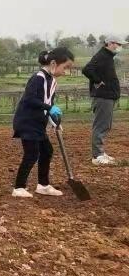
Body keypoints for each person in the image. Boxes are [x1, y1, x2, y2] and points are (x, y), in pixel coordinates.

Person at [12, 47, 75, 198]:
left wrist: (54, 121)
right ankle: (19, 188)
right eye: (65, 67)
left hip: (38, 123)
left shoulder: (52, 81)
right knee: (32, 154)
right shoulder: (38, 78)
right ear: (53, 63)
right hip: (27, 122)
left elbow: (48, 102)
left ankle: (43, 185)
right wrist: (50, 108)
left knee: (47, 151)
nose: (65, 72)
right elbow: (30, 99)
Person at [82, 35, 126, 165]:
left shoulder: (107, 57)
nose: (120, 47)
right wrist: (97, 81)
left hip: (108, 96)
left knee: (105, 125)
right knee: (100, 125)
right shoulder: (102, 55)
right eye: (119, 44)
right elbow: (87, 69)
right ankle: (97, 156)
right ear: (110, 43)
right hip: (103, 96)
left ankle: (100, 152)